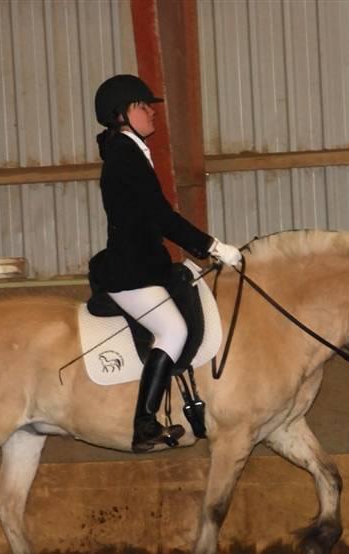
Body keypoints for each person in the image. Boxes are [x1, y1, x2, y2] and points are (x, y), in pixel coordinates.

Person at [89, 74, 242, 453]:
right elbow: (159, 215)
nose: (151, 113)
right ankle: (144, 423)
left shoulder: (130, 150)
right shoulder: (124, 155)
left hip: (146, 265)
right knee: (173, 332)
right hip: (131, 271)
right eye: (143, 106)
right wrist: (212, 246)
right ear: (122, 114)